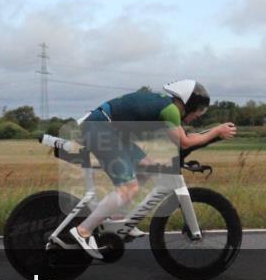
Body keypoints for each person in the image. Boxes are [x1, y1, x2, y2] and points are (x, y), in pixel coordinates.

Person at [68, 80, 236, 257]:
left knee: (146, 168)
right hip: (100, 128)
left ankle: (119, 221)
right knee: (129, 187)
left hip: (111, 129)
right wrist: (216, 132)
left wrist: (212, 135)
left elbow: (184, 139)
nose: (199, 115)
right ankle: (82, 231)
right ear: (190, 103)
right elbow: (184, 142)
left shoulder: (170, 108)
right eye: (199, 110)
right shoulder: (171, 110)